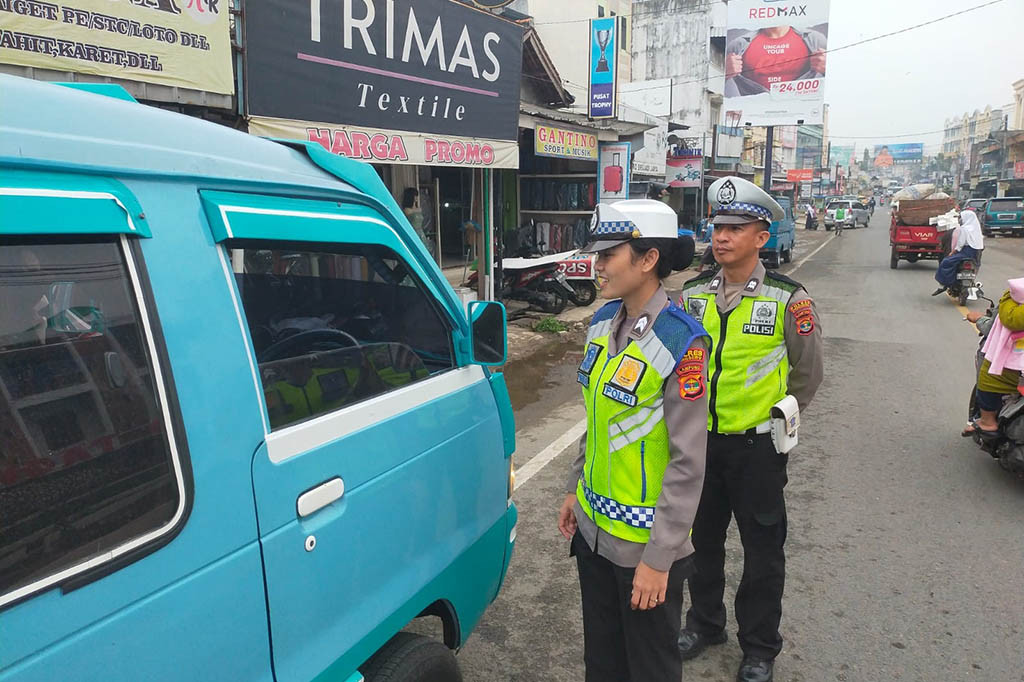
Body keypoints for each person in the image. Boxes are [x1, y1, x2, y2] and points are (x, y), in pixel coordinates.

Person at [677, 176, 824, 682]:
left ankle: (760, 646)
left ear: (762, 236)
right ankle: (704, 623)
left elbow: (808, 374)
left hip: (758, 450)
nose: (722, 236)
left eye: (736, 228)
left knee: (763, 551)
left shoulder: (789, 299)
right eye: (718, 226)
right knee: (702, 542)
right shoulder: (693, 294)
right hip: (701, 446)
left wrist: (779, 420)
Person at [558, 199, 709, 682]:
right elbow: (596, 418)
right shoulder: (601, 323)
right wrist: (575, 488)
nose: (597, 265)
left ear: (647, 260)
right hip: (593, 535)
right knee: (601, 664)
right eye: (597, 255)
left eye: (608, 255)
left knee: (649, 668)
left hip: (643, 548)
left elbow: (688, 462)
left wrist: (659, 559)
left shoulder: (682, 341)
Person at [963, 278, 1024, 435]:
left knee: (988, 376)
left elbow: (1009, 320)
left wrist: (1008, 297)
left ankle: (987, 422)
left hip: (1016, 370)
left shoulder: (1013, 305)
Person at [725, 25, 827, 97]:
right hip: (754, 118)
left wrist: (827, 69)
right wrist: (724, 73)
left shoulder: (815, 40)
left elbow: (837, 86)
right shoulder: (737, 45)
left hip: (798, 115)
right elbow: (713, 82)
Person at [934, 210, 984, 294]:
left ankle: (946, 282)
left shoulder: (964, 229)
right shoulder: (976, 229)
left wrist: (953, 252)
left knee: (946, 261)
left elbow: (960, 244)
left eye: (961, 217)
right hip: (975, 253)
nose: (960, 219)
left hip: (966, 252)